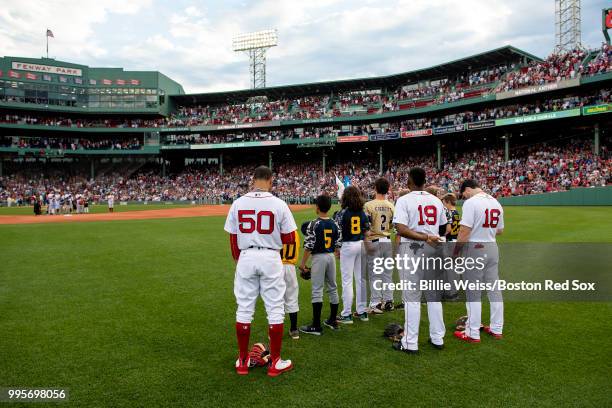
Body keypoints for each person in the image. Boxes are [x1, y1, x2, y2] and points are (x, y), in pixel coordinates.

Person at [223, 166, 297, 377]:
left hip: (246, 256)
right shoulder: (279, 203)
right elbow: (290, 238)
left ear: (252, 179)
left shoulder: (238, 203)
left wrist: (241, 259)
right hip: (271, 256)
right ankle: (275, 362)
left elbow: (233, 239)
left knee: (244, 308)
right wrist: (270, 240)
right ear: (271, 181)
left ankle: (243, 361)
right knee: (274, 308)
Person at [392, 167, 447, 354]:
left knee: (412, 298)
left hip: (413, 249)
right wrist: (430, 236)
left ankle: (410, 343)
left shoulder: (404, 199)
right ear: (424, 181)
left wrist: (423, 237)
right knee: (434, 297)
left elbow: (401, 229)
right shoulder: (436, 200)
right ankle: (438, 338)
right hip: (433, 250)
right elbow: (443, 228)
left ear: (409, 180)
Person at [453, 179, 505, 343]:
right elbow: (500, 230)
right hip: (492, 247)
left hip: (475, 247)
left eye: (463, 194)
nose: (464, 197)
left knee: (473, 291)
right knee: (494, 288)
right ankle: (497, 328)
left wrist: (456, 252)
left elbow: (464, 231)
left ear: (468, 189)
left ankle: (472, 332)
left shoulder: (471, 202)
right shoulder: (495, 202)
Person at [298, 194, 341, 335]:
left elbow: (309, 246)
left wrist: (303, 264)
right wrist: (335, 253)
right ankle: (333, 320)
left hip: (319, 257)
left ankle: (316, 325)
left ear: (317, 207)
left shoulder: (314, 223)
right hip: (330, 256)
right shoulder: (334, 223)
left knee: (317, 290)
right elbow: (337, 244)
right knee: (333, 288)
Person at [335, 186, 370, 324]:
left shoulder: (342, 213)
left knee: (347, 281)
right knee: (361, 279)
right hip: (361, 244)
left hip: (348, 246)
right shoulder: (362, 213)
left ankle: (347, 314)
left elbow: (338, 234)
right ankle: (362, 312)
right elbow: (367, 232)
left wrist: (337, 249)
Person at [364, 177, 395, 314]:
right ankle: (388, 301)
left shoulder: (369, 205)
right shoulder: (391, 205)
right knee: (387, 274)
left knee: (375, 274)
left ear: (375, 188)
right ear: (387, 189)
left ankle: (375, 303)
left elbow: (366, 226)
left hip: (375, 240)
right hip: (387, 240)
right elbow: (393, 225)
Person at [280, 228, 300, 340]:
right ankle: (294, 330)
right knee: (292, 298)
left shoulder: (276, 231)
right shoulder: (294, 232)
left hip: (277, 267)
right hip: (290, 268)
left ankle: (275, 329)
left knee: (276, 299)